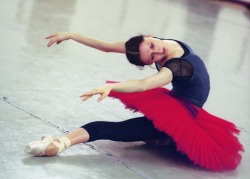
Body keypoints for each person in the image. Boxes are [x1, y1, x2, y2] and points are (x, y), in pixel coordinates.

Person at [24, 32, 243, 171]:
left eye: (152, 45)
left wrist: (112, 87)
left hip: (184, 113)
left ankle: (59, 144)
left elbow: (144, 85)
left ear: (148, 35)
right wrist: (71, 35)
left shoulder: (177, 66)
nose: (158, 50)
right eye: (152, 57)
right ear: (148, 61)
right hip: (179, 101)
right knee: (143, 131)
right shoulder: (158, 50)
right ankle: (164, 139)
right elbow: (107, 46)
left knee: (112, 129)